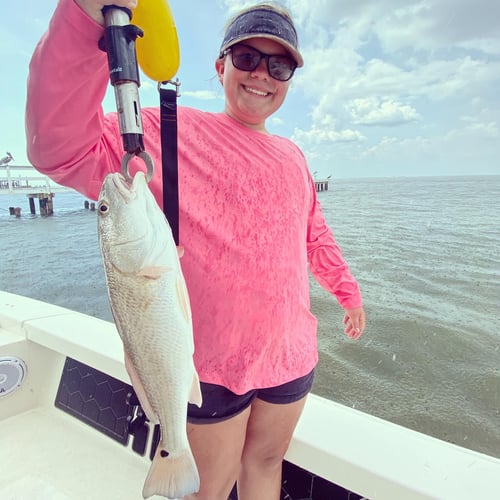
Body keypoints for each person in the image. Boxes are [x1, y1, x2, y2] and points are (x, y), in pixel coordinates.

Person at [26, 1, 366, 498]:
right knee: (208, 489)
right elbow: (59, 147)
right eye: (248, 57)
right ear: (221, 64)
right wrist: (84, 17)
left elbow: (313, 233)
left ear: (290, 77)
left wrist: (348, 293)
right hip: (206, 365)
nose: (262, 75)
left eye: (280, 65)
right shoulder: (169, 128)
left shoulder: (294, 156)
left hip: (290, 352)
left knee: (266, 465)